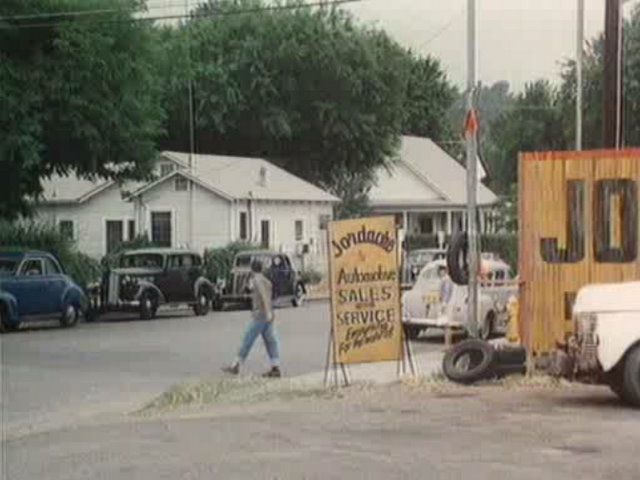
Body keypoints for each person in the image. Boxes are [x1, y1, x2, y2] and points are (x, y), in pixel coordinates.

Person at [223, 260, 281, 378]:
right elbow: (267, 296)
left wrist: (267, 311)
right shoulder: (267, 281)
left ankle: (236, 365)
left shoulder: (257, 280)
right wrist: (269, 312)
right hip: (268, 316)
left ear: (252, 269)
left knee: (248, 339)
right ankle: (275, 367)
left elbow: (263, 295)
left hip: (260, 315)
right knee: (271, 342)